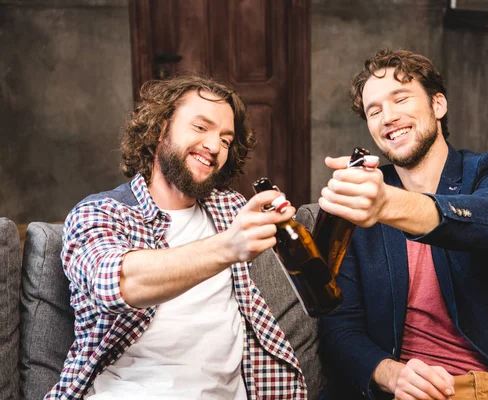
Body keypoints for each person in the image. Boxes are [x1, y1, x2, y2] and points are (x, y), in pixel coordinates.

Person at [317, 49, 488, 400]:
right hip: (418, 391)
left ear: (438, 105)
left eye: (400, 98)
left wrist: (389, 204)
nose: (388, 117)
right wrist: (390, 373)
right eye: (374, 111)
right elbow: (339, 326)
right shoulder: (357, 203)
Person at [47, 75, 307, 399]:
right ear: (160, 129)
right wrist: (228, 246)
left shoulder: (232, 209)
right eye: (201, 127)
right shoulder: (99, 213)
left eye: (226, 140)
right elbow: (116, 283)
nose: (214, 147)